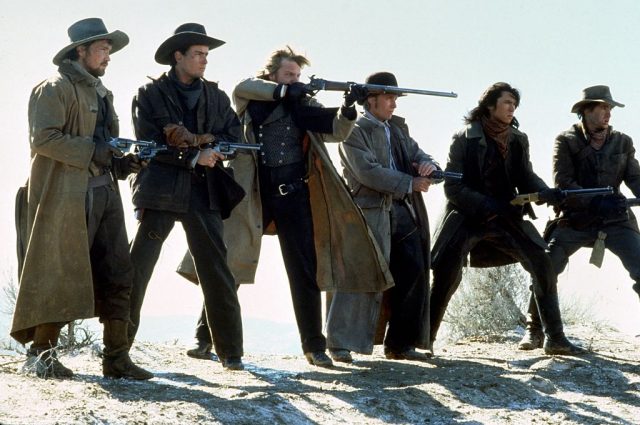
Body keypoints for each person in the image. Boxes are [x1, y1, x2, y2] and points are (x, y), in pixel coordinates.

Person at [177, 46, 392, 367]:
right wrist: (285, 90)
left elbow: (336, 128)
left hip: (294, 196)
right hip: (252, 196)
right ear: (273, 74)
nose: (294, 81)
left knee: (304, 273)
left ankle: (314, 347)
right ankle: (205, 339)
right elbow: (244, 86)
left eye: (297, 76)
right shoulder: (252, 97)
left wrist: (349, 106)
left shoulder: (303, 105)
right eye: (288, 75)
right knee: (230, 267)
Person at [11, 18, 152, 379]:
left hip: (104, 191)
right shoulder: (53, 88)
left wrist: (123, 162)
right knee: (60, 272)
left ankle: (117, 358)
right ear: (81, 51)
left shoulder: (102, 93)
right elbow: (43, 139)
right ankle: (42, 355)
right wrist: (99, 151)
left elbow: (103, 147)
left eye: (108, 50)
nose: (108, 57)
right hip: (65, 197)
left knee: (120, 271)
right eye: (102, 49)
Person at [430, 82, 584, 355]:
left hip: (505, 215)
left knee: (542, 261)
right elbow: (452, 187)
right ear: (490, 106)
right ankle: (423, 340)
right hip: (467, 215)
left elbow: (524, 176)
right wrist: (484, 204)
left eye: (515, 104)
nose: (512, 108)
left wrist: (545, 192)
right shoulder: (464, 138)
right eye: (507, 103)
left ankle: (555, 338)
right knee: (446, 273)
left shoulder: (517, 139)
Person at [128, 23, 245, 370]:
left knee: (216, 270)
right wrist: (195, 154)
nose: (204, 60)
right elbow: (149, 143)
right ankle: (117, 349)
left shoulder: (217, 97)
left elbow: (233, 139)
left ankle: (231, 352)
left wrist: (217, 152)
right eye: (197, 54)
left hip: (203, 190)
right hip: (160, 189)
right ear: (177, 56)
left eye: (207, 55)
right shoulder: (149, 94)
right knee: (138, 269)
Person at [519, 85, 640, 350]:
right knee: (547, 266)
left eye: (610, 108)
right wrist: (595, 201)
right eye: (602, 107)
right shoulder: (566, 140)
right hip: (576, 219)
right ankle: (536, 330)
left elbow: (635, 179)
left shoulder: (623, 141)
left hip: (616, 220)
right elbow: (563, 181)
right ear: (586, 111)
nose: (608, 113)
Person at [327, 71, 435, 362]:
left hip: (402, 209)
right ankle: (339, 343)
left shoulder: (396, 130)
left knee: (413, 271)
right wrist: (409, 183)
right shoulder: (353, 130)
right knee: (359, 275)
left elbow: (420, 154)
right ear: (371, 100)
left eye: (394, 98)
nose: (394, 104)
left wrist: (427, 165)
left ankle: (400, 344)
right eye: (389, 98)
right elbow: (367, 172)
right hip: (368, 211)